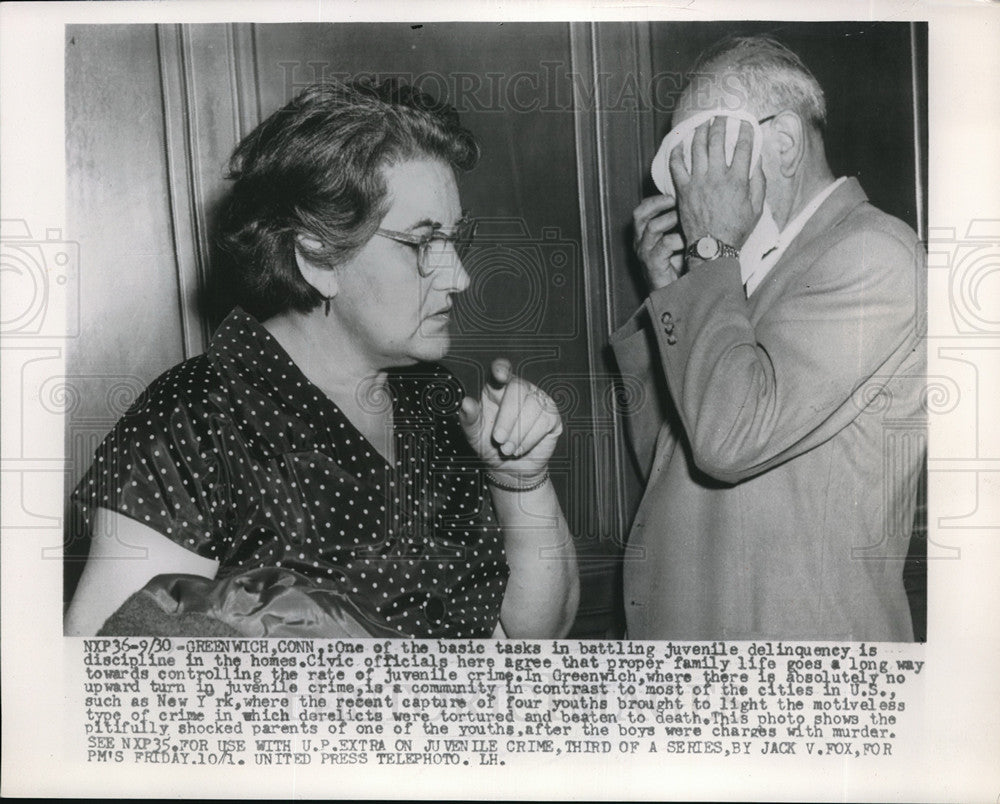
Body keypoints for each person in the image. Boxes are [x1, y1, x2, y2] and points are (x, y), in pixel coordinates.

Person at [64, 80, 579, 638]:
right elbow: (104, 685)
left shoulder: (435, 396)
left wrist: (520, 481)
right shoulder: (192, 420)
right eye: (424, 243)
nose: (459, 277)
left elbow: (534, 641)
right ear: (316, 257)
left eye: (456, 240)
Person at [611, 36, 925, 640]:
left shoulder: (874, 253)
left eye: (704, 154)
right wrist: (669, 289)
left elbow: (728, 443)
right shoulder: (737, 277)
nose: (687, 188)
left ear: (782, 143)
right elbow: (666, 471)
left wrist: (708, 258)